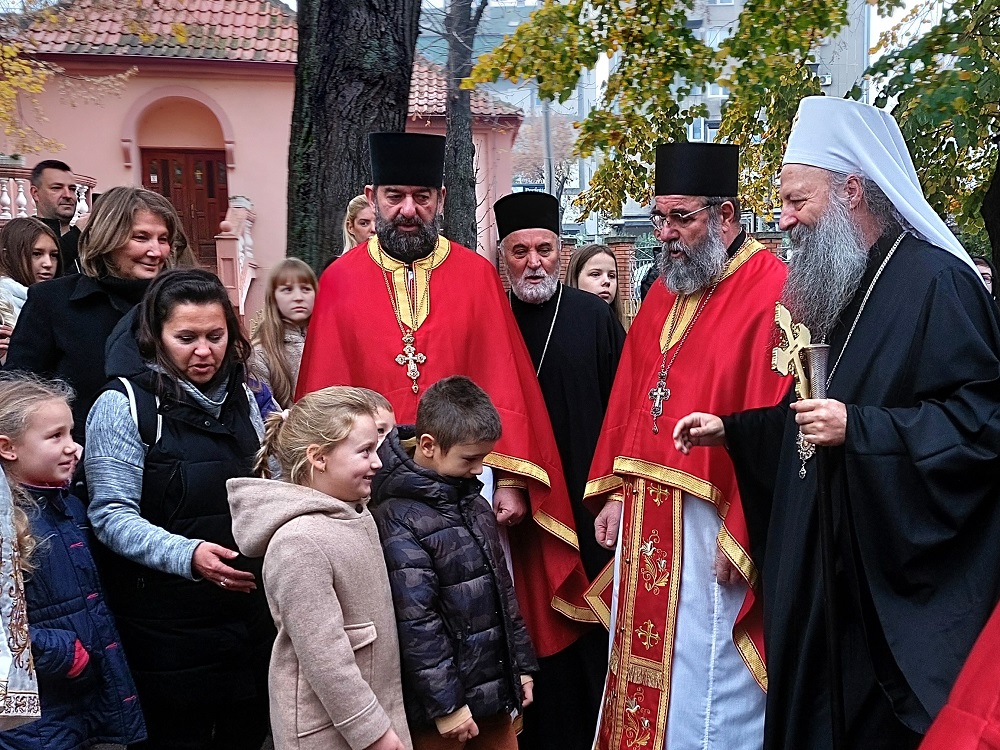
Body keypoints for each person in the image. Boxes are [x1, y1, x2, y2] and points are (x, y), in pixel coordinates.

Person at [673, 97, 1000, 750]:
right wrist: (740, 430)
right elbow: (818, 418)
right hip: (818, 579)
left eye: (797, 201)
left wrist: (865, 430)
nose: (786, 219)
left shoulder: (938, 283)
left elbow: (981, 427)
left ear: (852, 188)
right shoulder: (843, 278)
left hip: (878, 599)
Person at [296, 132, 593, 661]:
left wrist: (512, 482)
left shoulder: (476, 276)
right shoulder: (339, 281)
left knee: (476, 621)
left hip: (469, 490)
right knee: (393, 623)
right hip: (374, 494)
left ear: (442, 200)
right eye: (395, 196)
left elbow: (506, 387)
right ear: (372, 197)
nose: (408, 210)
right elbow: (321, 402)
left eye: (422, 196)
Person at [586, 143, 789, 750]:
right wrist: (617, 493)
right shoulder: (663, 290)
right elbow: (632, 399)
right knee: (646, 673)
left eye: (682, 219)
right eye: (660, 219)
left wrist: (744, 533)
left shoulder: (771, 290)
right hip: (648, 519)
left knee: (709, 675)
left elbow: (771, 430)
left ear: (726, 217)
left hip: (712, 527)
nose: (667, 234)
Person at [85, 269, 274, 750]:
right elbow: (110, 514)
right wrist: (186, 556)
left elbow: (263, 483)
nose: (204, 351)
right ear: (155, 336)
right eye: (186, 338)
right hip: (164, 628)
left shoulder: (245, 395)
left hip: (245, 617)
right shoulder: (123, 405)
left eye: (216, 336)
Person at [493, 191, 625, 750]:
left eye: (544, 249)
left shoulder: (593, 318)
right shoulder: (491, 316)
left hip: (587, 500)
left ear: (561, 251)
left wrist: (618, 492)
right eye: (520, 252)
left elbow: (625, 410)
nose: (534, 263)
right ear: (504, 255)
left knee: (590, 634)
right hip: (515, 507)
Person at [228, 386, 410, 750]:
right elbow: (324, 655)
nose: (378, 462)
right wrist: (372, 732)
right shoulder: (299, 542)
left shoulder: (356, 514)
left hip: (375, 713)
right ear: (319, 457)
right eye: (364, 451)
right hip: (331, 732)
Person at [371, 376, 537, 750]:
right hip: (442, 713)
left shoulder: (473, 502)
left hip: (492, 695)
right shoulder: (398, 517)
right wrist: (447, 706)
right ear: (428, 445)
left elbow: (502, 591)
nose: (480, 470)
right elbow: (416, 622)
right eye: (470, 458)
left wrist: (519, 668)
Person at [0, 374, 145, 749]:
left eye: (71, 432)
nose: (74, 447)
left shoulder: (67, 506)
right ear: (7, 447)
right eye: (55, 436)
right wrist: (62, 652)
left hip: (82, 699)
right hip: (35, 715)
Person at [4, 186, 177, 446]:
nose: (156, 251)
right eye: (141, 237)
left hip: (172, 463)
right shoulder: (52, 301)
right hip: (77, 463)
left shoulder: (178, 304)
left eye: (163, 239)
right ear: (108, 238)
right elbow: (18, 391)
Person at [250, 258, 317, 408]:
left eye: (306, 289)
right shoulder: (260, 354)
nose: (298, 298)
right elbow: (264, 414)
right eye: (287, 290)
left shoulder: (327, 342)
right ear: (273, 297)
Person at [0, 218, 61, 362]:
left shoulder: (59, 303)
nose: (48, 264)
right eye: (37, 254)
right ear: (7, 255)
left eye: (54, 255)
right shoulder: (3, 307)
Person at [29, 159, 81, 274]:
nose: (68, 195)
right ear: (35, 193)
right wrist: (77, 234)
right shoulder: (20, 235)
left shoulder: (87, 238)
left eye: (72, 189)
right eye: (56, 188)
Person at [565, 243, 629, 329]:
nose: (606, 281)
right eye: (595, 274)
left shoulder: (619, 332)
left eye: (611, 276)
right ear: (575, 277)